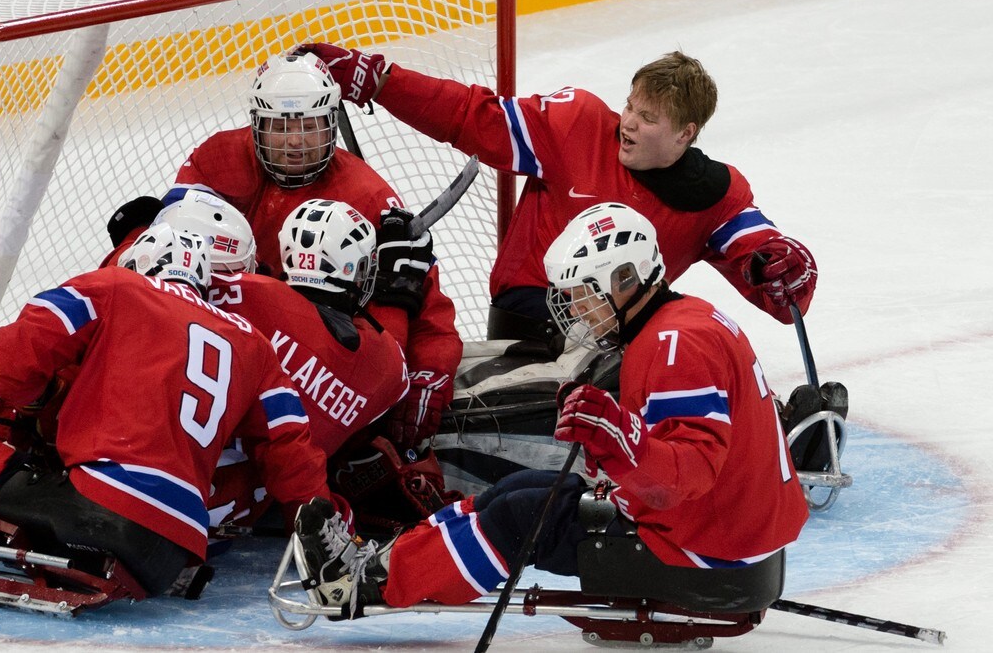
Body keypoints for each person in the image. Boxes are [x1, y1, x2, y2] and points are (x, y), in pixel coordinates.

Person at [290, 202, 809, 617]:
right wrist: (620, 444)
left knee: (520, 515)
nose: (575, 311)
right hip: (732, 531)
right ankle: (383, 565)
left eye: (584, 295)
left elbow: (686, 474)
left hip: (706, 551)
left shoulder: (673, 346)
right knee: (521, 490)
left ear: (624, 280)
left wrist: (621, 442)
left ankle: (363, 586)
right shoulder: (684, 319)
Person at [0, 225, 334, 600]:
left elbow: (13, 363)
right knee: (27, 501)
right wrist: (320, 537)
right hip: (175, 551)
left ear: (137, 263)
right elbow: (292, 449)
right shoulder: (254, 344)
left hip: (102, 505)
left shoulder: (115, 287)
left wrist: (31, 401)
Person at [298, 43, 818, 340]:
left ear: (686, 134)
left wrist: (788, 270)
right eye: (631, 106)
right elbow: (469, 114)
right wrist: (382, 81)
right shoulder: (579, 125)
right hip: (531, 312)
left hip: (617, 326)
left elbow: (773, 273)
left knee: (700, 334)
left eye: (649, 118)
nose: (629, 124)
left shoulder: (713, 195)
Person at [105, 51, 464, 454]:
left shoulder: (368, 197)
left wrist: (428, 377)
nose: (295, 142)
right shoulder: (219, 159)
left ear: (331, 123)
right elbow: (164, 254)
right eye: (280, 127)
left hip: (306, 366)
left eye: (310, 125)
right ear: (256, 124)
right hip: (211, 341)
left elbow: (424, 303)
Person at [145, 194, 457, 531]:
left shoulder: (242, 294)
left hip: (139, 481)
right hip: (228, 517)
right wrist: (398, 290)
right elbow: (383, 352)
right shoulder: (387, 370)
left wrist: (137, 241)